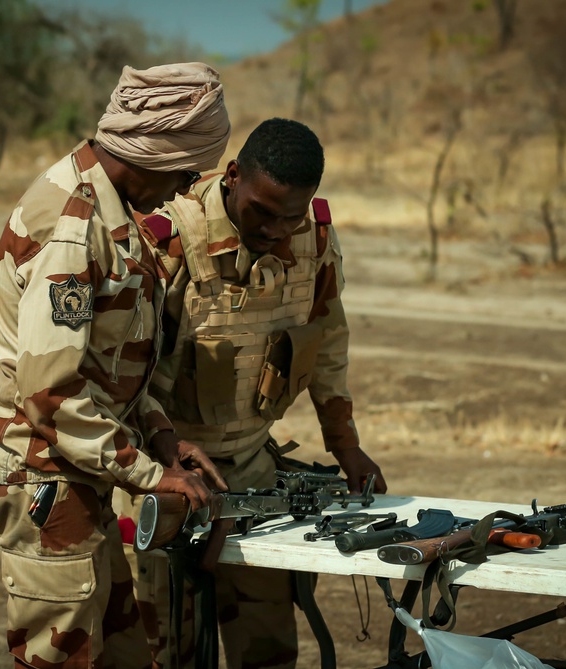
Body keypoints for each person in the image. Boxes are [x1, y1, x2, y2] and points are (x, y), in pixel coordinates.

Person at [0, 62, 232, 669]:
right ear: (153, 152)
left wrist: (163, 436)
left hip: (77, 471)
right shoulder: (72, 227)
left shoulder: (113, 214)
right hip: (41, 477)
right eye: (185, 172)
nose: (184, 189)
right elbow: (49, 393)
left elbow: (111, 367)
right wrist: (148, 474)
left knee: (122, 653)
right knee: (63, 656)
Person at [133, 118, 387, 669]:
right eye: (262, 212)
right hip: (166, 474)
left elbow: (328, 340)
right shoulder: (170, 240)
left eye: (290, 216)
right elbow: (127, 377)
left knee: (268, 648)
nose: (275, 229)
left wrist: (345, 444)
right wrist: (165, 460)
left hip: (253, 473)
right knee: (168, 649)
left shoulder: (315, 238)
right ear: (232, 178)